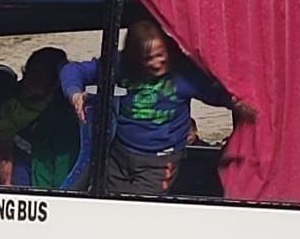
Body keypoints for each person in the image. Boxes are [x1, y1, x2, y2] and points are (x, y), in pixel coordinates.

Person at [61, 16, 255, 198]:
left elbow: (216, 93)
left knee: (142, 209)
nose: (156, 63)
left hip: (159, 162)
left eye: (160, 55)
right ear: (135, 58)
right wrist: (75, 93)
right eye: (148, 59)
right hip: (118, 155)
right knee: (111, 204)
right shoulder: (121, 65)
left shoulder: (184, 72)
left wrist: (238, 102)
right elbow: (73, 70)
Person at [0, 47, 80, 190]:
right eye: (29, 72)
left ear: (55, 82)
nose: (31, 80)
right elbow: (2, 142)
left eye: (40, 75)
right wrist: (6, 184)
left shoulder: (63, 122)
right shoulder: (6, 106)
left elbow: (61, 180)